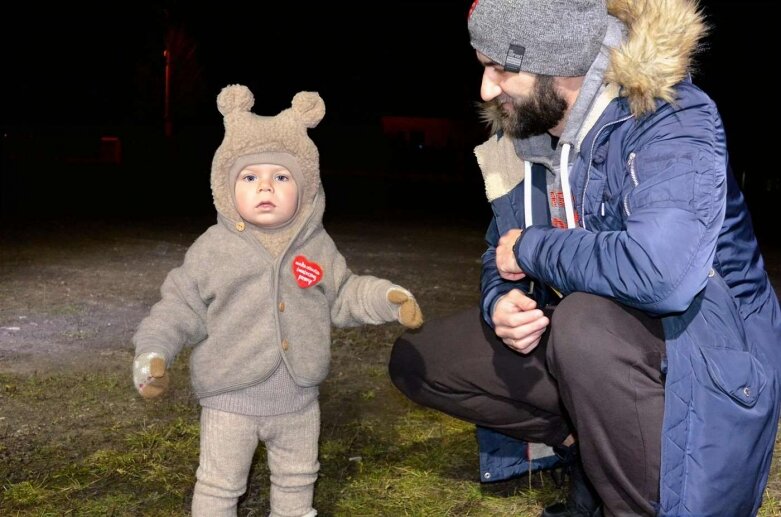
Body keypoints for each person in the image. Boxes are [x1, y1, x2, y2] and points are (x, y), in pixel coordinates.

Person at [389, 0, 781, 515]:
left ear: (560, 62)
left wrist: (533, 249)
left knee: (583, 324)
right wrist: (501, 299)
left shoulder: (669, 117)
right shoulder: (526, 137)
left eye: (502, 68)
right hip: (596, 342)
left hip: (706, 353)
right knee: (420, 361)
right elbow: (499, 249)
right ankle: (590, 448)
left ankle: (636, 498)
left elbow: (664, 275)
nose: (485, 89)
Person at [132, 84, 423, 517]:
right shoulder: (213, 249)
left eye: (281, 177)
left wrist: (386, 297)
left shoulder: (316, 247)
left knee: (298, 478)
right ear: (225, 187)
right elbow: (178, 307)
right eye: (250, 177)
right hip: (231, 399)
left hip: (299, 400)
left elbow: (343, 293)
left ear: (306, 190)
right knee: (218, 484)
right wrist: (153, 353)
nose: (265, 187)